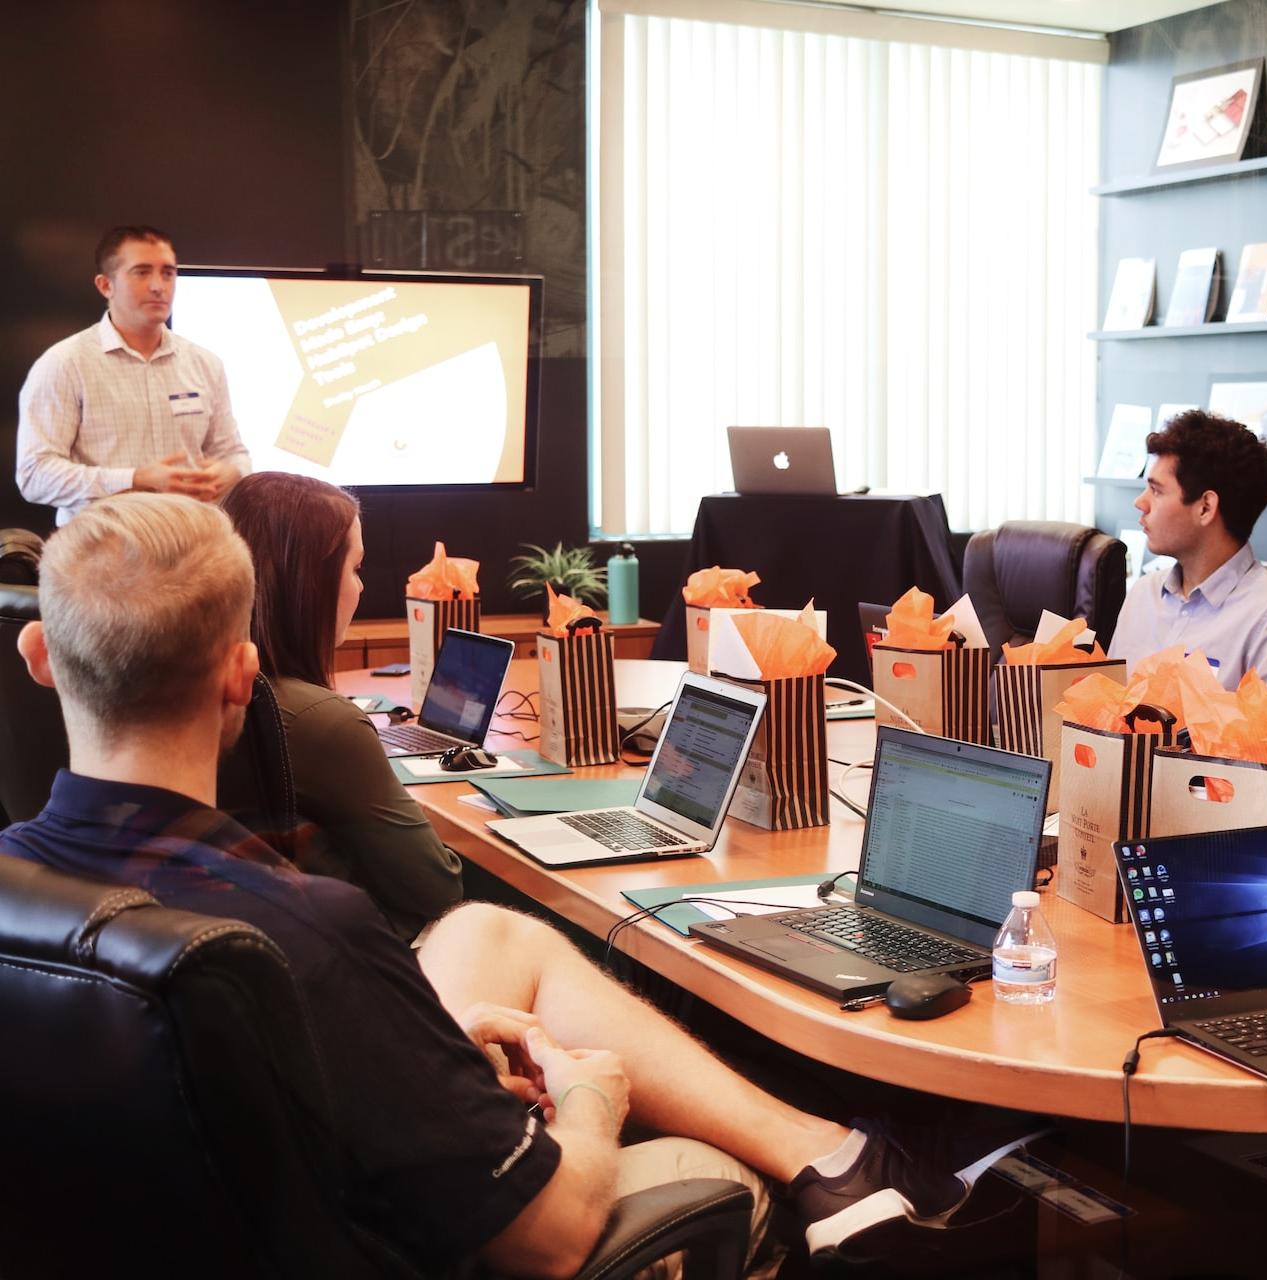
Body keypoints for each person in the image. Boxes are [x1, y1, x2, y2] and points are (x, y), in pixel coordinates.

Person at [0, 492, 1037, 1275]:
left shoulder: (23, 882)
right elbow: (545, 1234)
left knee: (489, 930)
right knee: (699, 1170)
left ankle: (834, 1148)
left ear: (40, 656)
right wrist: (588, 1102)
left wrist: (428, 1061)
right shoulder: (305, 929)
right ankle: (826, 1168)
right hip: (405, 1241)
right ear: (239, 674)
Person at [221, 470, 463, 938]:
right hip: (358, 958)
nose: (362, 587)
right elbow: (439, 889)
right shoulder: (322, 721)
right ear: (308, 582)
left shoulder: (199, 689)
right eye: (355, 568)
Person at [16, 224, 250, 525]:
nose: (158, 286)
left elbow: (235, 455)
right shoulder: (64, 364)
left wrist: (230, 471)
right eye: (142, 272)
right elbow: (34, 475)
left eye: (167, 272)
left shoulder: (205, 363)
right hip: (102, 552)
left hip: (193, 546)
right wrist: (135, 479)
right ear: (105, 285)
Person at [1109, 410, 1267, 690]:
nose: (1140, 503)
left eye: (1157, 490)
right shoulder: (1142, 595)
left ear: (1205, 507)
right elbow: (1105, 717)